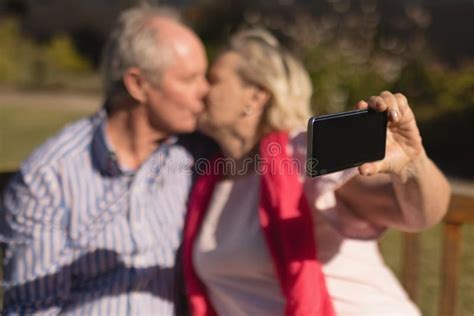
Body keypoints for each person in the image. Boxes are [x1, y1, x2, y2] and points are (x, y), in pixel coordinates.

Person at [182, 29, 451, 316]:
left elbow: (415, 214)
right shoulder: (211, 178)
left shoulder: (302, 153)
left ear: (257, 96)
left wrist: (412, 164)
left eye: (212, 79)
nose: (200, 89)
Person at [0, 4, 208, 314]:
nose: (205, 91)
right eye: (190, 79)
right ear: (137, 84)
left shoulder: (195, 156)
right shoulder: (50, 177)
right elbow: (33, 308)